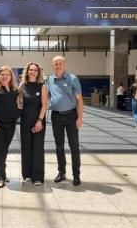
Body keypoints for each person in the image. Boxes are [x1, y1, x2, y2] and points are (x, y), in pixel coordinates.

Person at [47, 55, 83, 186]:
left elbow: (79, 100)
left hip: (71, 116)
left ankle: (76, 175)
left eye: (60, 63)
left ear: (64, 65)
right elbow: (47, 96)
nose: (57, 66)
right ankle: (61, 172)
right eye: (55, 64)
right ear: (52, 66)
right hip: (56, 116)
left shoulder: (73, 79)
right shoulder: (49, 80)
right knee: (59, 146)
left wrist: (80, 118)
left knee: (74, 146)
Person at [18, 62, 48, 186]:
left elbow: (45, 105)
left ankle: (38, 177)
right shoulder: (22, 85)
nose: (33, 72)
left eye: (35, 70)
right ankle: (27, 175)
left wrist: (40, 120)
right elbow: (19, 102)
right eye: (30, 70)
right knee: (26, 148)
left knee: (37, 148)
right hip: (25, 121)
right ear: (27, 71)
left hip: (38, 121)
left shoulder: (42, 86)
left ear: (38, 72)